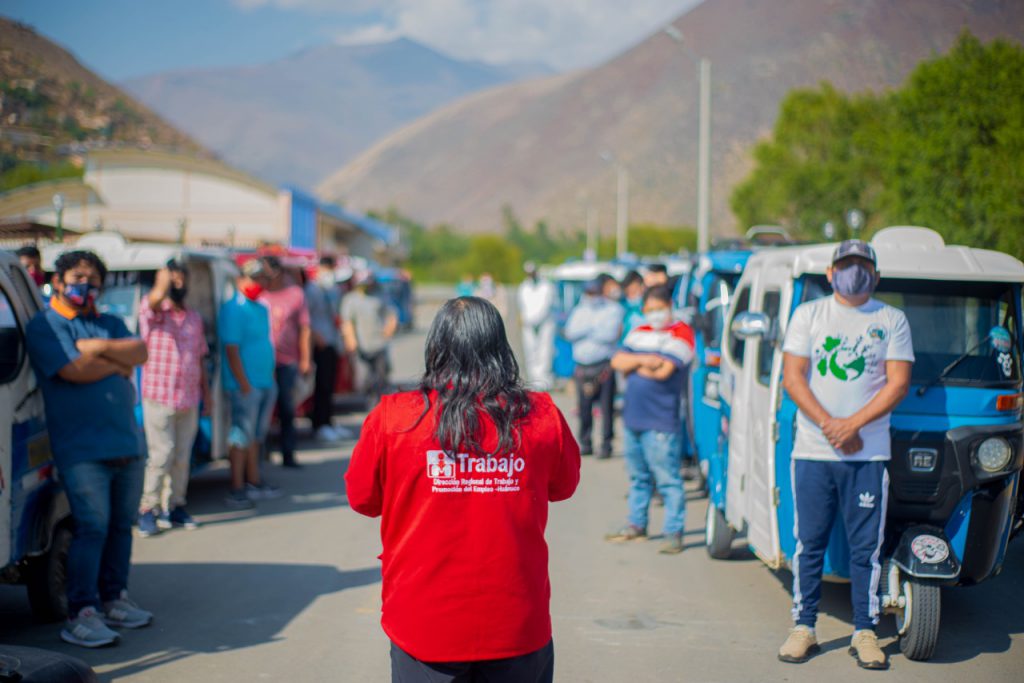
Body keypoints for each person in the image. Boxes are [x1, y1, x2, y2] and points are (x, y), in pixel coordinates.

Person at [345, 296, 580, 682]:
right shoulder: (540, 414)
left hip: (424, 623)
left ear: (436, 347)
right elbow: (564, 484)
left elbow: (363, 499)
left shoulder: (396, 416)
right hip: (516, 620)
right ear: (500, 347)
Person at [777, 240, 913, 670]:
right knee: (809, 543)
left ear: (874, 273)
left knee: (865, 549)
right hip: (813, 452)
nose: (853, 271)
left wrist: (852, 425)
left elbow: (897, 383)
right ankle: (803, 627)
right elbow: (793, 378)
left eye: (861, 264)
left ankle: (865, 630)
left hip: (867, 455)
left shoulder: (892, 319)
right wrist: (830, 425)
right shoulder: (809, 314)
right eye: (845, 264)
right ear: (831, 272)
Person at [25, 250, 152, 648]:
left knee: (120, 526)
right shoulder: (46, 324)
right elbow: (71, 370)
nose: (88, 285)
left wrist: (95, 347)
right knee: (92, 528)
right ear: (58, 280)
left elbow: (140, 352)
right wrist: (113, 360)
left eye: (94, 279)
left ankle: (115, 598)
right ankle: (83, 611)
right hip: (82, 450)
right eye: (79, 277)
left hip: (127, 443)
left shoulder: (108, 321)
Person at [606, 286, 694, 553]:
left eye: (660, 308)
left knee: (667, 479)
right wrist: (647, 359)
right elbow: (617, 362)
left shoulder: (681, 334)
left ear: (669, 305)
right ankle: (636, 524)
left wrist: (634, 363)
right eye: (651, 309)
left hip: (660, 421)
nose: (655, 314)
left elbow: (664, 372)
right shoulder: (638, 333)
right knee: (638, 477)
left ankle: (673, 532)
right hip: (633, 418)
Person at [136, 262, 210, 536]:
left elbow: (199, 358)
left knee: (181, 457)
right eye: (172, 281)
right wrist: (162, 281)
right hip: (159, 396)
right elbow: (154, 299)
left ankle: (175, 506)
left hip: (189, 397)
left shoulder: (194, 318)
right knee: (161, 455)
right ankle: (148, 509)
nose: (177, 285)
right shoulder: (154, 313)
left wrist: (207, 397)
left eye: (181, 280)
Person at [220, 260, 282, 508]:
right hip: (246, 386)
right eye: (255, 278)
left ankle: (253, 481)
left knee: (256, 437)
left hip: (264, 382)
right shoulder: (233, 308)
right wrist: (244, 383)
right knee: (241, 437)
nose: (260, 284)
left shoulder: (260, 308)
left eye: (264, 279)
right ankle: (237, 487)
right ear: (242, 278)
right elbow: (232, 351)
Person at [260, 256, 312, 468]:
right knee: (262, 409)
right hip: (262, 363)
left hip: (287, 361)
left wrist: (306, 359)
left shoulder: (295, 294)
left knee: (287, 409)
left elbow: (305, 328)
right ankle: (261, 454)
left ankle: (288, 453)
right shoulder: (259, 295)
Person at [564, 275, 623, 459]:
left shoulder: (614, 309)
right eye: (589, 292)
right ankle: (585, 442)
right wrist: (593, 328)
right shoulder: (579, 310)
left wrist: (587, 330)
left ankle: (606, 444)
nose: (592, 296)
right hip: (583, 366)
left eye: (594, 292)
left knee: (606, 409)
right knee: (584, 408)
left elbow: (609, 334)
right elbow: (570, 332)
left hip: (603, 365)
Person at [305, 256, 350, 442]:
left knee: (330, 384)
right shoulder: (312, 289)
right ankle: (319, 424)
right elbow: (305, 317)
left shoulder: (334, 289)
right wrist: (315, 335)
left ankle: (328, 421)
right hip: (319, 343)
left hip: (332, 341)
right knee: (321, 384)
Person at [342, 271, 398, 403]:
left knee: (381, 377)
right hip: (362, 345)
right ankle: (369, 397)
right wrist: (351, 340)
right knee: (364, 378)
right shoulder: (350, 300)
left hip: (379, 344)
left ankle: (379, 403)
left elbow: (391, 315)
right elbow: (347, 322)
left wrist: (389, 329)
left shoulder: (380, 297)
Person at [517, 261, 556, 390]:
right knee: (530, 352)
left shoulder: (547, 286)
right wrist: (528, 320)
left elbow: (548, 305)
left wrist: (538, 319)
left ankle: (544, 380)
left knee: (545, 352)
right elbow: (522, 306)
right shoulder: (523, 287)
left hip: (545, 324)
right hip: (529, 325)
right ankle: (534, 379)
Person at [620, 270, 646, 339]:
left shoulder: (647, 305)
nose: (632, 290)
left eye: (635, 287)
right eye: (629, 288)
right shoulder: (621, 305)